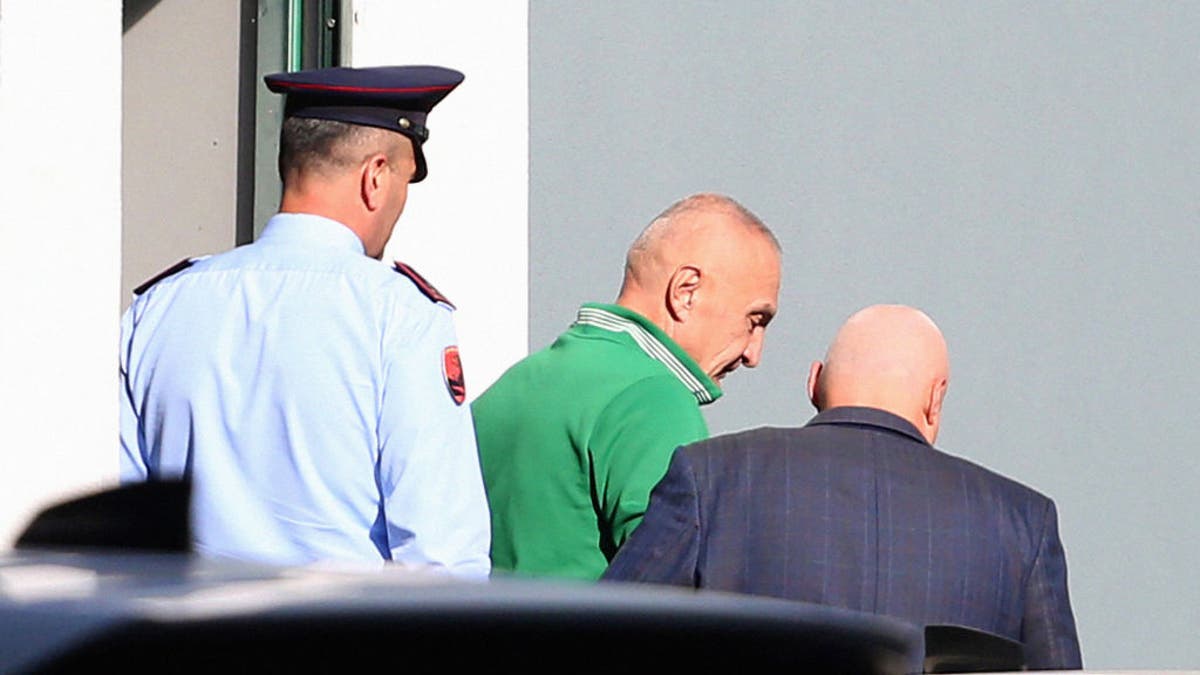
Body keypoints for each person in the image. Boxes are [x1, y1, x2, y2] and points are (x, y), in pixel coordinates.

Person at [119, 65, 490, 578]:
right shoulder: (397, 314)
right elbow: (442, 558)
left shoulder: (161, 305)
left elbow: (118, 523)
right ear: (376, 177)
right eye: (405, 181)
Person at [602, 304, 1083, 671]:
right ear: (936, 400)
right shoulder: (1023, 522)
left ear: (814, 383)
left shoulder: (712, 477)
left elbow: (602, 643)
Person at [471, 193, 782, 580]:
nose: (754, 354)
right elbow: (675, 581)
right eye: (755, 319)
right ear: (686, 292)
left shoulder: (514, 383)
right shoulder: (654, 397)